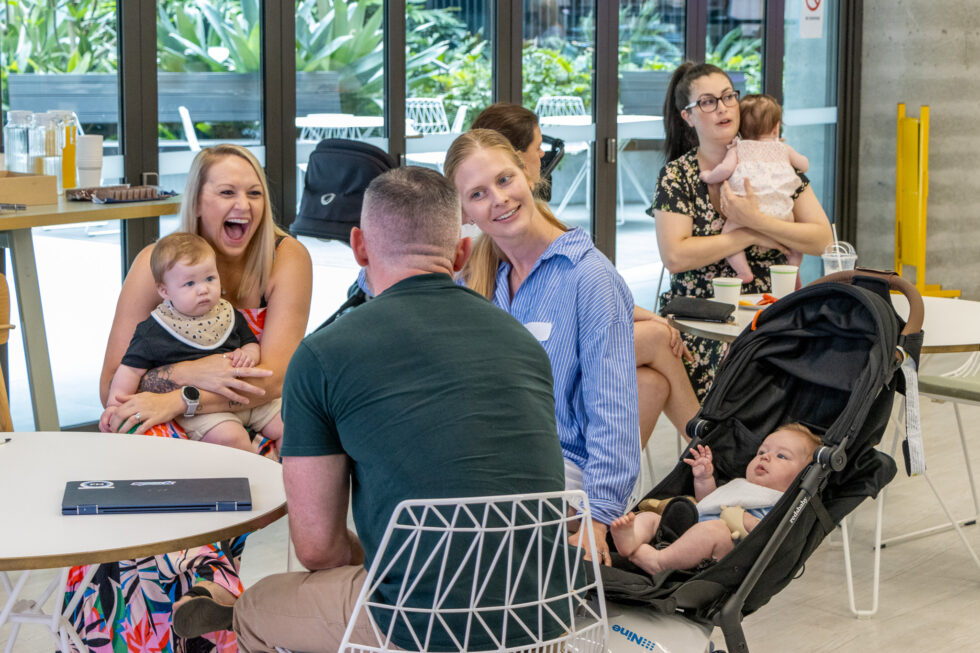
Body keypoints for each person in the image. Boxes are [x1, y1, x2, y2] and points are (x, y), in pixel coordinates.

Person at [170, 166, 567, 652]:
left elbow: (318, 549)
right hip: (547, 616)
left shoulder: (322, 357)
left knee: (258, 604)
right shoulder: (524, 344)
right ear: (462, 253)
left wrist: (377, 561)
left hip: (420, 627)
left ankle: (239, 613)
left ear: (359, 247)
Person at [67, 144, 313, 653]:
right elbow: (112, 382)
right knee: (136, 456)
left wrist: (180, 398)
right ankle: (206, 589)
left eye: (254, 193)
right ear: (198, 203)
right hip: (173, 416)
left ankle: (200, 606)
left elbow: (268, 380)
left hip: (246, 423)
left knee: (195, 467)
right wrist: (188, 372)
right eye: (226, 192)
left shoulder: (286, 257)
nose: (243, 204)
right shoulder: (156, 265)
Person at [444, 128, 639, 563]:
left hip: (559, 477)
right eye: (477, 194)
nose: (498, 199)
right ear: (463, 213)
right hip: (491, 465)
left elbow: (614, 411)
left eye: (504, 179)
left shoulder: (590, 279)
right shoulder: (479, 277)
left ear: (528, 175)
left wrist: (599, 518)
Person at [471, 102, 700, 447]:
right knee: (656, 340)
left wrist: (652, 317)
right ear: (518, 161)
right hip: (529, 367)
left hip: (530, 355)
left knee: (653, 382)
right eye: (538, 149)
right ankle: (711, 450)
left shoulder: (505, 227)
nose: (544, 158)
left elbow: (584, 294)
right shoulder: (512, 232)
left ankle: (694, 461)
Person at [651, 62, 832, 400]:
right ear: (687, 116)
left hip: (772, 315)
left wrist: (756, 220)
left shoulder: (775, 160)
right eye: (707, 101)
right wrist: (748, 235)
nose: (722, 108)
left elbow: (823, 240)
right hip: (703, 323)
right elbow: (675, 256)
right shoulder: (678, 176)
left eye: (728, 96)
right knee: (743, 376)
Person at [100, 232, 283, 452]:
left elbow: (250, 343)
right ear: (165, 291)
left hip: (249, 398)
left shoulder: (227, 313)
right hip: (203, 410)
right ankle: (249, 469)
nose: (203, 289)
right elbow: (129, 371)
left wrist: (249, 354)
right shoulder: (154, 330)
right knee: (231, 439)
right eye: (189, 283)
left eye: (210, 279)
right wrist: (114, 406)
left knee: (294, 424)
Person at [611, 423, 821, 575]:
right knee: (651, 517)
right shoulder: (740, 485)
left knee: (714, 530)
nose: (765, 457)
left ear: (802, 476)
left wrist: (745, 519)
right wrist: (704, 478)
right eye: (762, 451)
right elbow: (708, 503)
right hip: (685, 532)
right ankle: (630, 541)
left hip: (720, 556)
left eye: (781, 456)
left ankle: (659, 562)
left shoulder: (782, 503)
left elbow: (768, 537)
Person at [699, 93, 810, 282]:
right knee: (795, 239)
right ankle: (792, 268)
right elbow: (804, 165)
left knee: (728, 234)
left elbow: (725, 170)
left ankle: (744, 272)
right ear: (776, 128)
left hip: (746, 211)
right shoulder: (784, 149)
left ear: (740, 129)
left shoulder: (739, 148)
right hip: (782, 212)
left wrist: (709, 176)